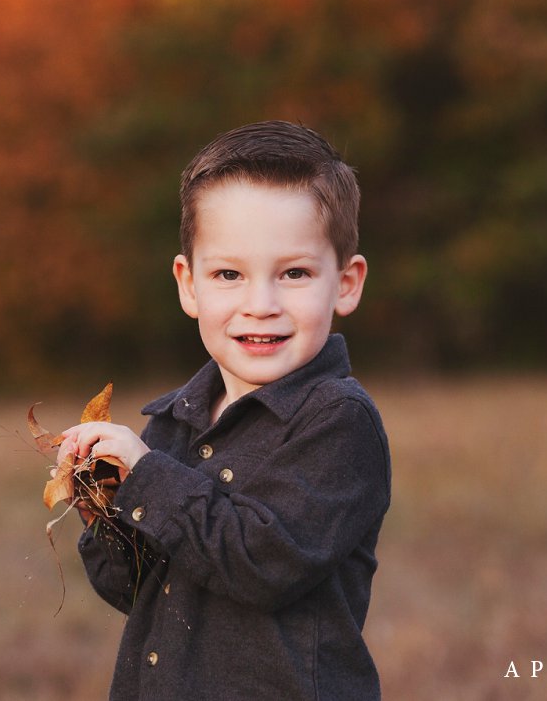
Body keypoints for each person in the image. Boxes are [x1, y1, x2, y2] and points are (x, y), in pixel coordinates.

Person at [55, 120, 391, 700]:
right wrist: (101, 498)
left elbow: (264, 565)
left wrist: (149, 478)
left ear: (346, 283)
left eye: (294, 274)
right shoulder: (173, 422)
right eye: (229, 274)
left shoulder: (338, 421)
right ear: (189, 285)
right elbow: (127, 587)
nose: (260, 305)